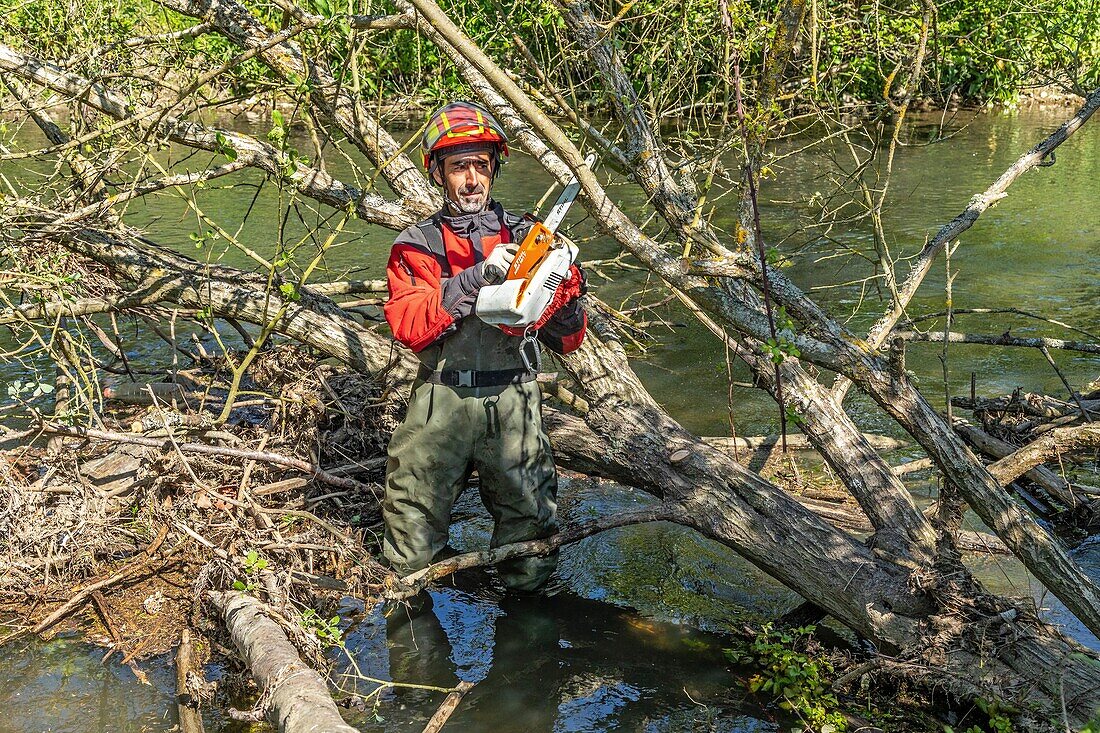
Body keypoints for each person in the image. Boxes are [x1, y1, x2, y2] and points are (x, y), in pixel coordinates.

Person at [382, 101, 587, 592]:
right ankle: (414, 643)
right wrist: (475, 279)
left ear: (493, 168)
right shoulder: (416, 244)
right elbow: (409, 325)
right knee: (409, 531)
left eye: (479, 165)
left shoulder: (531, 237)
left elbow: (571, 339)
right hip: (439, 402)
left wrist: (562, 299)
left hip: (515, 399)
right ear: (438, 172)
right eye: (458, 167)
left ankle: (528, 651)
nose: (471, 179)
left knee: (531, 535)